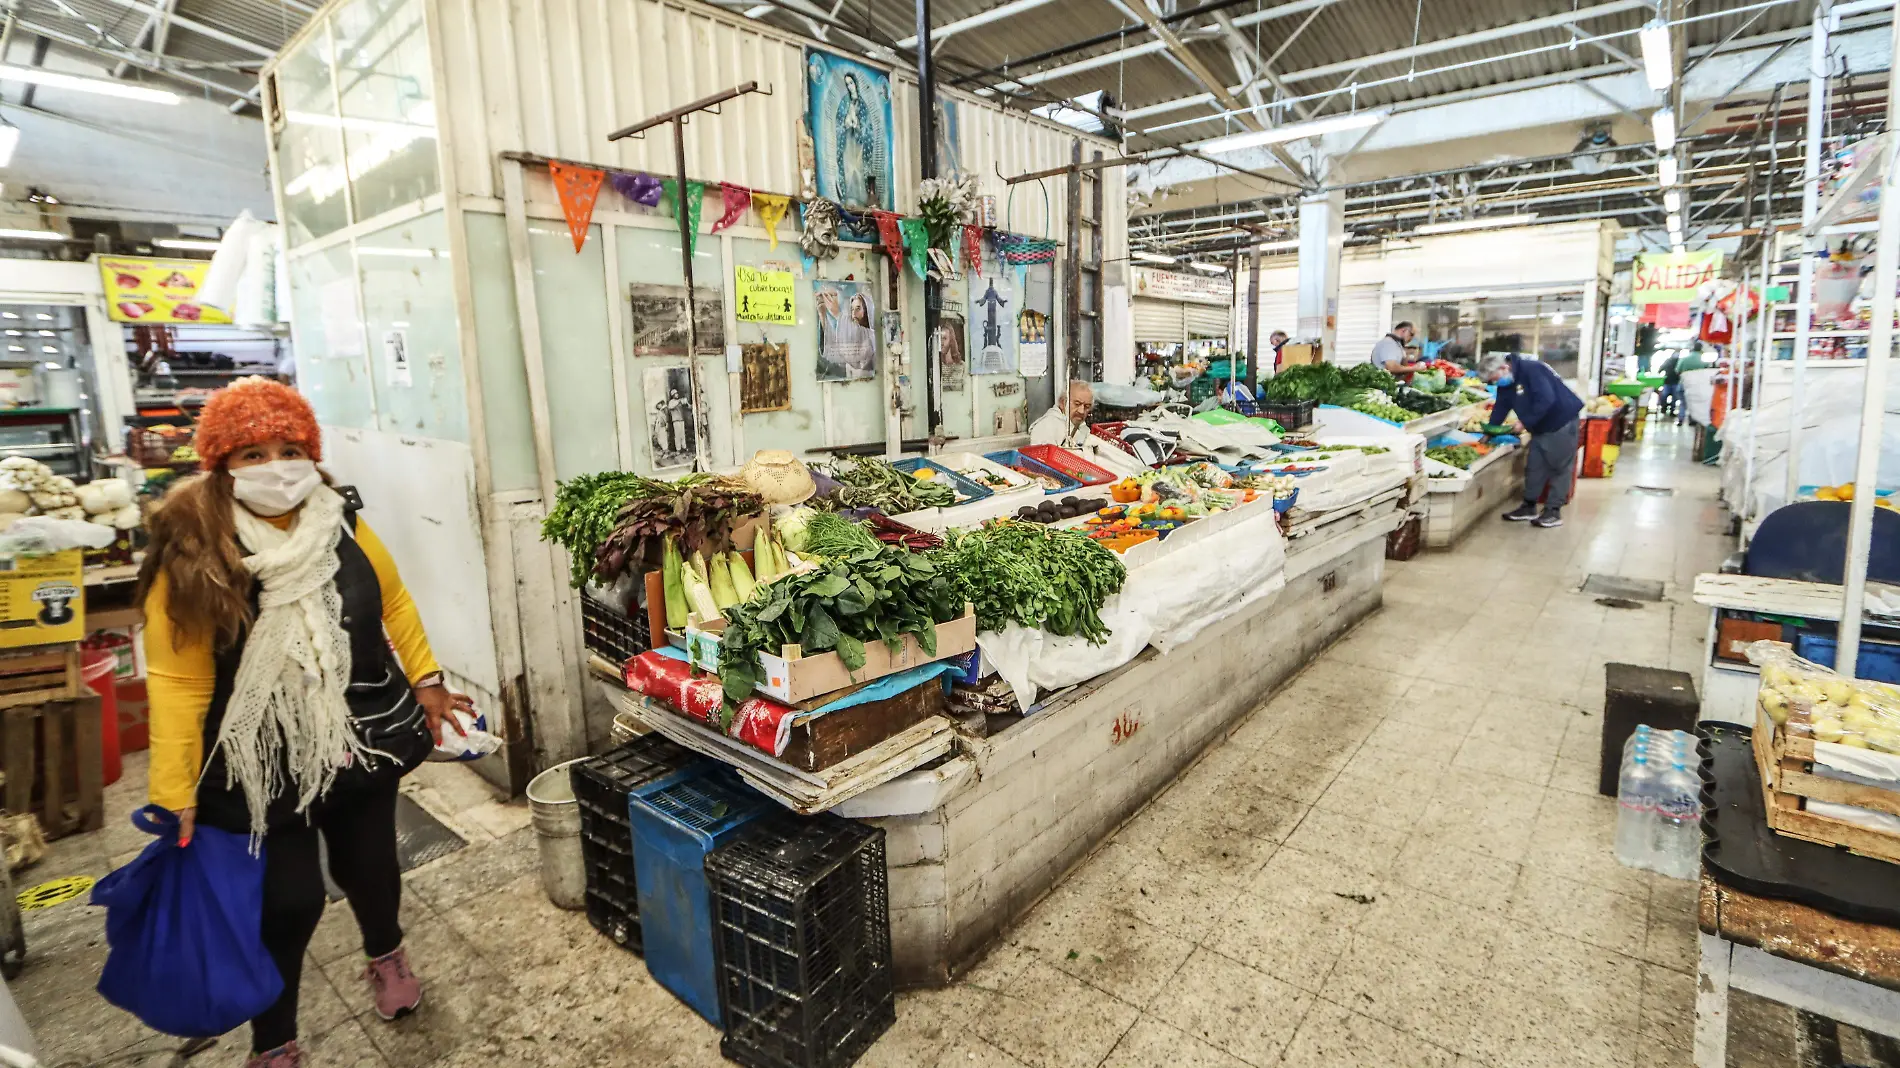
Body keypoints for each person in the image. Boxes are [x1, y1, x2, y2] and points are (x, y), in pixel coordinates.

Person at [139, 377, 471, 1068]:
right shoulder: (196, 548)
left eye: (290, 448)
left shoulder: (340, 520)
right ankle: (274, 1041)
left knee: (372, 868)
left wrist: (430, 682)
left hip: (358, 737)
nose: (275, 466)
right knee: (286, 904)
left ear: (312, 454)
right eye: (252, 451)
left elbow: (394, 602)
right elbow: (176, 678)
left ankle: (387, 954)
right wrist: (174, 791)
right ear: (222, 461)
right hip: (255, 759)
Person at [1480, 353, 1584, 529]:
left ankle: (1553, 510)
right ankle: (1528, 506)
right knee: (1534, 466)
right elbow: (1501, 406)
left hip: (1561, 422)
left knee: (1559, 467)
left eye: (1495, 379)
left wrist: (1525, 421)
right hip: (1540, 427)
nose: (1496, 383)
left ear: (1504, 368)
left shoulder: (1532, 370)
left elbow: (1546, 399)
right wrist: (1490, 432)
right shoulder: (1507, 382)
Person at [1029, 379, 1093, 448]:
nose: (1082, 411)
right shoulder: (1046, 426)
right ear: (1062, 402)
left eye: (1087, 406)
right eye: (1077, 404)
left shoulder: (1081, 427)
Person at [1658, 352, 1684, 424]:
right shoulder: (1669, 361)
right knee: (1667, 396)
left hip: (1673, 382)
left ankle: (1671, 410)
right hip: (1669, 382)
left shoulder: (1678, 361)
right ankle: (1664, 408)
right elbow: (1661, 368)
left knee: (1671, 397)